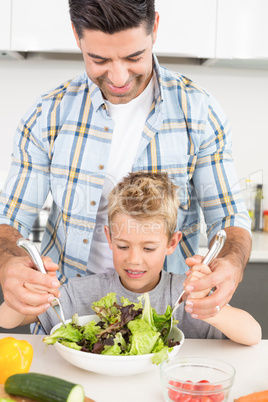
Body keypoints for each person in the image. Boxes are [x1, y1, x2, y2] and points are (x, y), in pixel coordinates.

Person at [0, 0, 251, 332]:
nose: (118, 77)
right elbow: (9, 219)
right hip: (68, 318)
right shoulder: (48, 113)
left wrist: (231, 263)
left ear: (155, 27)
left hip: (164, 327)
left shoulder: (198, 110)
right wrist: (9, 263)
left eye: (134, 57)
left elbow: (229, 217)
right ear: (77, 36)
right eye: (99, 59)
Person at [0, 172, 261, 346]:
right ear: (109, 238)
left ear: (172, 243)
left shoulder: (185, 293)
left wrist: (208, 307)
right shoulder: (83, 292)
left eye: (149, 249)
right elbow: (7, 320)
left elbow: (252, 335)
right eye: (123, 246)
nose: (134, 260)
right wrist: (32, 287)